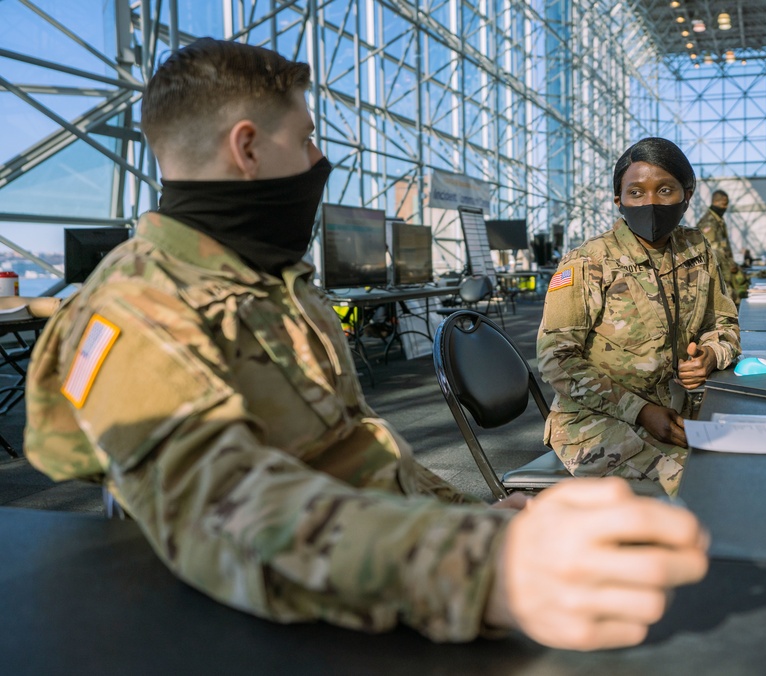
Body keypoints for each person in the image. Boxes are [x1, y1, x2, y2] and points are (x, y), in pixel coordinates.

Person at [23, 39, 709, 652]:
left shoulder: (273, 285)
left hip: (370, 564)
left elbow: (355, 448)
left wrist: (475, 517)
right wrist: (482, 565)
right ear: (249, 146)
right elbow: (228, 510)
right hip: (290, 612)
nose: (320, 160)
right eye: (307, 137)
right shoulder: (133, 311)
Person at [536, 137, 741, 496]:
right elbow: (556, 359)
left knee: (743, 471)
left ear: (687, 193)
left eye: (665, 189)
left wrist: (711, 354)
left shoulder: (696, 249)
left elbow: (723, 326)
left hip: (677, 411)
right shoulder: (589, 262)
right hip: (596, 420)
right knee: (698, 491)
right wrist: (639, 410)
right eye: (636, 192)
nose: (650, 202)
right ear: (619, 199)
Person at [697, 189, 748, 306]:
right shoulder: (709, 222)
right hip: (718, 270)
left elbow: (724, 246)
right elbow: (714, 251)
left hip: (725, 269)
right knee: (727, 303)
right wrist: (729, 266)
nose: (725, 207)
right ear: (715, 202)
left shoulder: (718, 220)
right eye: (724, 204)